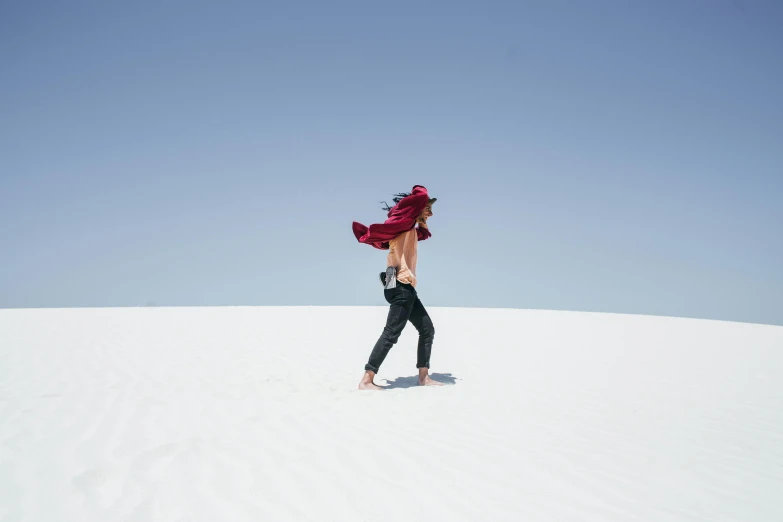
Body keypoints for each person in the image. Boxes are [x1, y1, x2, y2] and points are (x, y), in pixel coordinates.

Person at [352, 185, 443, 390]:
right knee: (391, 333)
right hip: (401, 286)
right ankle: (366, 380)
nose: (432, 212)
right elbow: (419, 202)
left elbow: (424, 235)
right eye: (428, 208)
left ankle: (423, 377)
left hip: (404, 286)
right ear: (416, 208)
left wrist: (424, 220)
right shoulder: (403, 225)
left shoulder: (408, 229)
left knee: (427, 329)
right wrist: (420, 204)